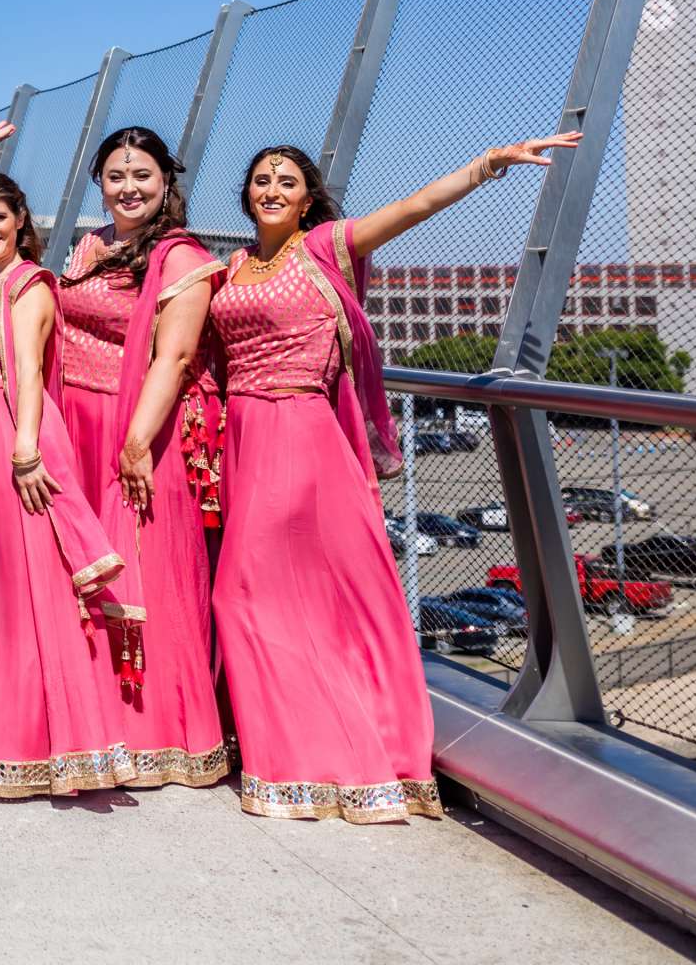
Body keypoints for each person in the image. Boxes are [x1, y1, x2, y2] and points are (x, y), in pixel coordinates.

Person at [209, 133, 576, 822]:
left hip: (300, 429)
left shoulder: (326, 250)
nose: (272, 190)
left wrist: (485, 166)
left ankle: (327, 757)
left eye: (287, 181)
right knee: (267, 599)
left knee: (245, 594)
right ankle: (285, 755)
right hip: (243, 438)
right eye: (262, 180)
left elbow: (412, 207)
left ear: (308, 198)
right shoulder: (230, 266)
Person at [0, 130, 138, 800]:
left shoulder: (27, 283)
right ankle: (1, 714)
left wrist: (25, 448)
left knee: (25, 593)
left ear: (21, 226)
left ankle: (30, 738)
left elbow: (31, 369)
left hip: (16, 440)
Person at [52, 126, 227, 789]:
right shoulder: (92, 245)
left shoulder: (182, 258)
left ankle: (162, 736)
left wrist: (134, 444)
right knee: (91, 575)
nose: (128, 188)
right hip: (78, 423)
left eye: (143, 176)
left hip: (140, 433)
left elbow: (177, 358)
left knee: (150, 577)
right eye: (117, 175)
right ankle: (98, 723)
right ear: (100, 181)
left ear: (166, 184)